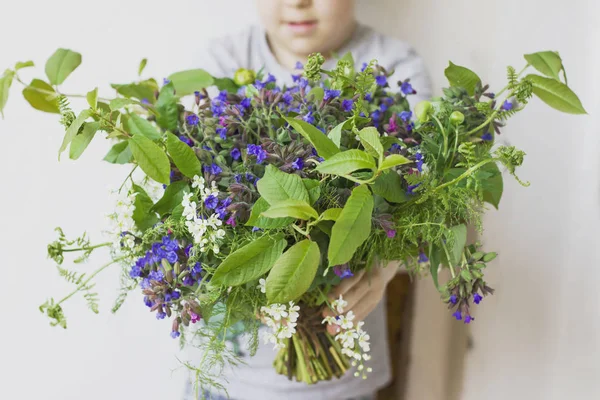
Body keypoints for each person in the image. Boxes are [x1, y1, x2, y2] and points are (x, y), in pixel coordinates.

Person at [185, 1, 432, 399]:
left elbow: (425, 198)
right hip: (228, 378)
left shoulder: (391, 64)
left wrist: (382, 268)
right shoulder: (223, 62)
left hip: (343, 381)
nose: (297, 2)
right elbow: (187, 180)